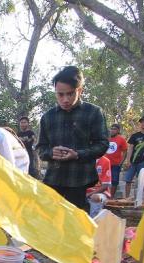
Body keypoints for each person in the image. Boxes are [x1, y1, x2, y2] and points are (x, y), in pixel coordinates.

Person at [37, 65, 109, 211]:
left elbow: (102, 144)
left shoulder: (93, 113)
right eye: (60, 94)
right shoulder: (48, 117)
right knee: (50, 222)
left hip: (80, 180)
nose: (65, 99)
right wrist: (51, 153)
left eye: (70, 94)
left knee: (77, 225)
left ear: (80, 90)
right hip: (53, 179)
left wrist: (78, 154)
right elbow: (41, 148)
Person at [123, 115, 144, 199]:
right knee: (128, 180)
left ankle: (139, 198)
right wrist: (128, 160)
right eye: (141, 122)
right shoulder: (135, 135)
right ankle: (127, 198)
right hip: (133, 161)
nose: (143, 124)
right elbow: (130, 148)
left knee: (141, 181)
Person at [104, 123, 128, 198]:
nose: (112, 130)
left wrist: (121, 163)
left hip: (115, 164)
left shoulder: (121, 139)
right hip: (105, 164)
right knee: (104, 181)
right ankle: (104, 196)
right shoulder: (105, 138)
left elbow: (125, 151)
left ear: (118, 130)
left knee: (114, 181)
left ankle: (111, 197)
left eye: (114, 129)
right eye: (111, 128)